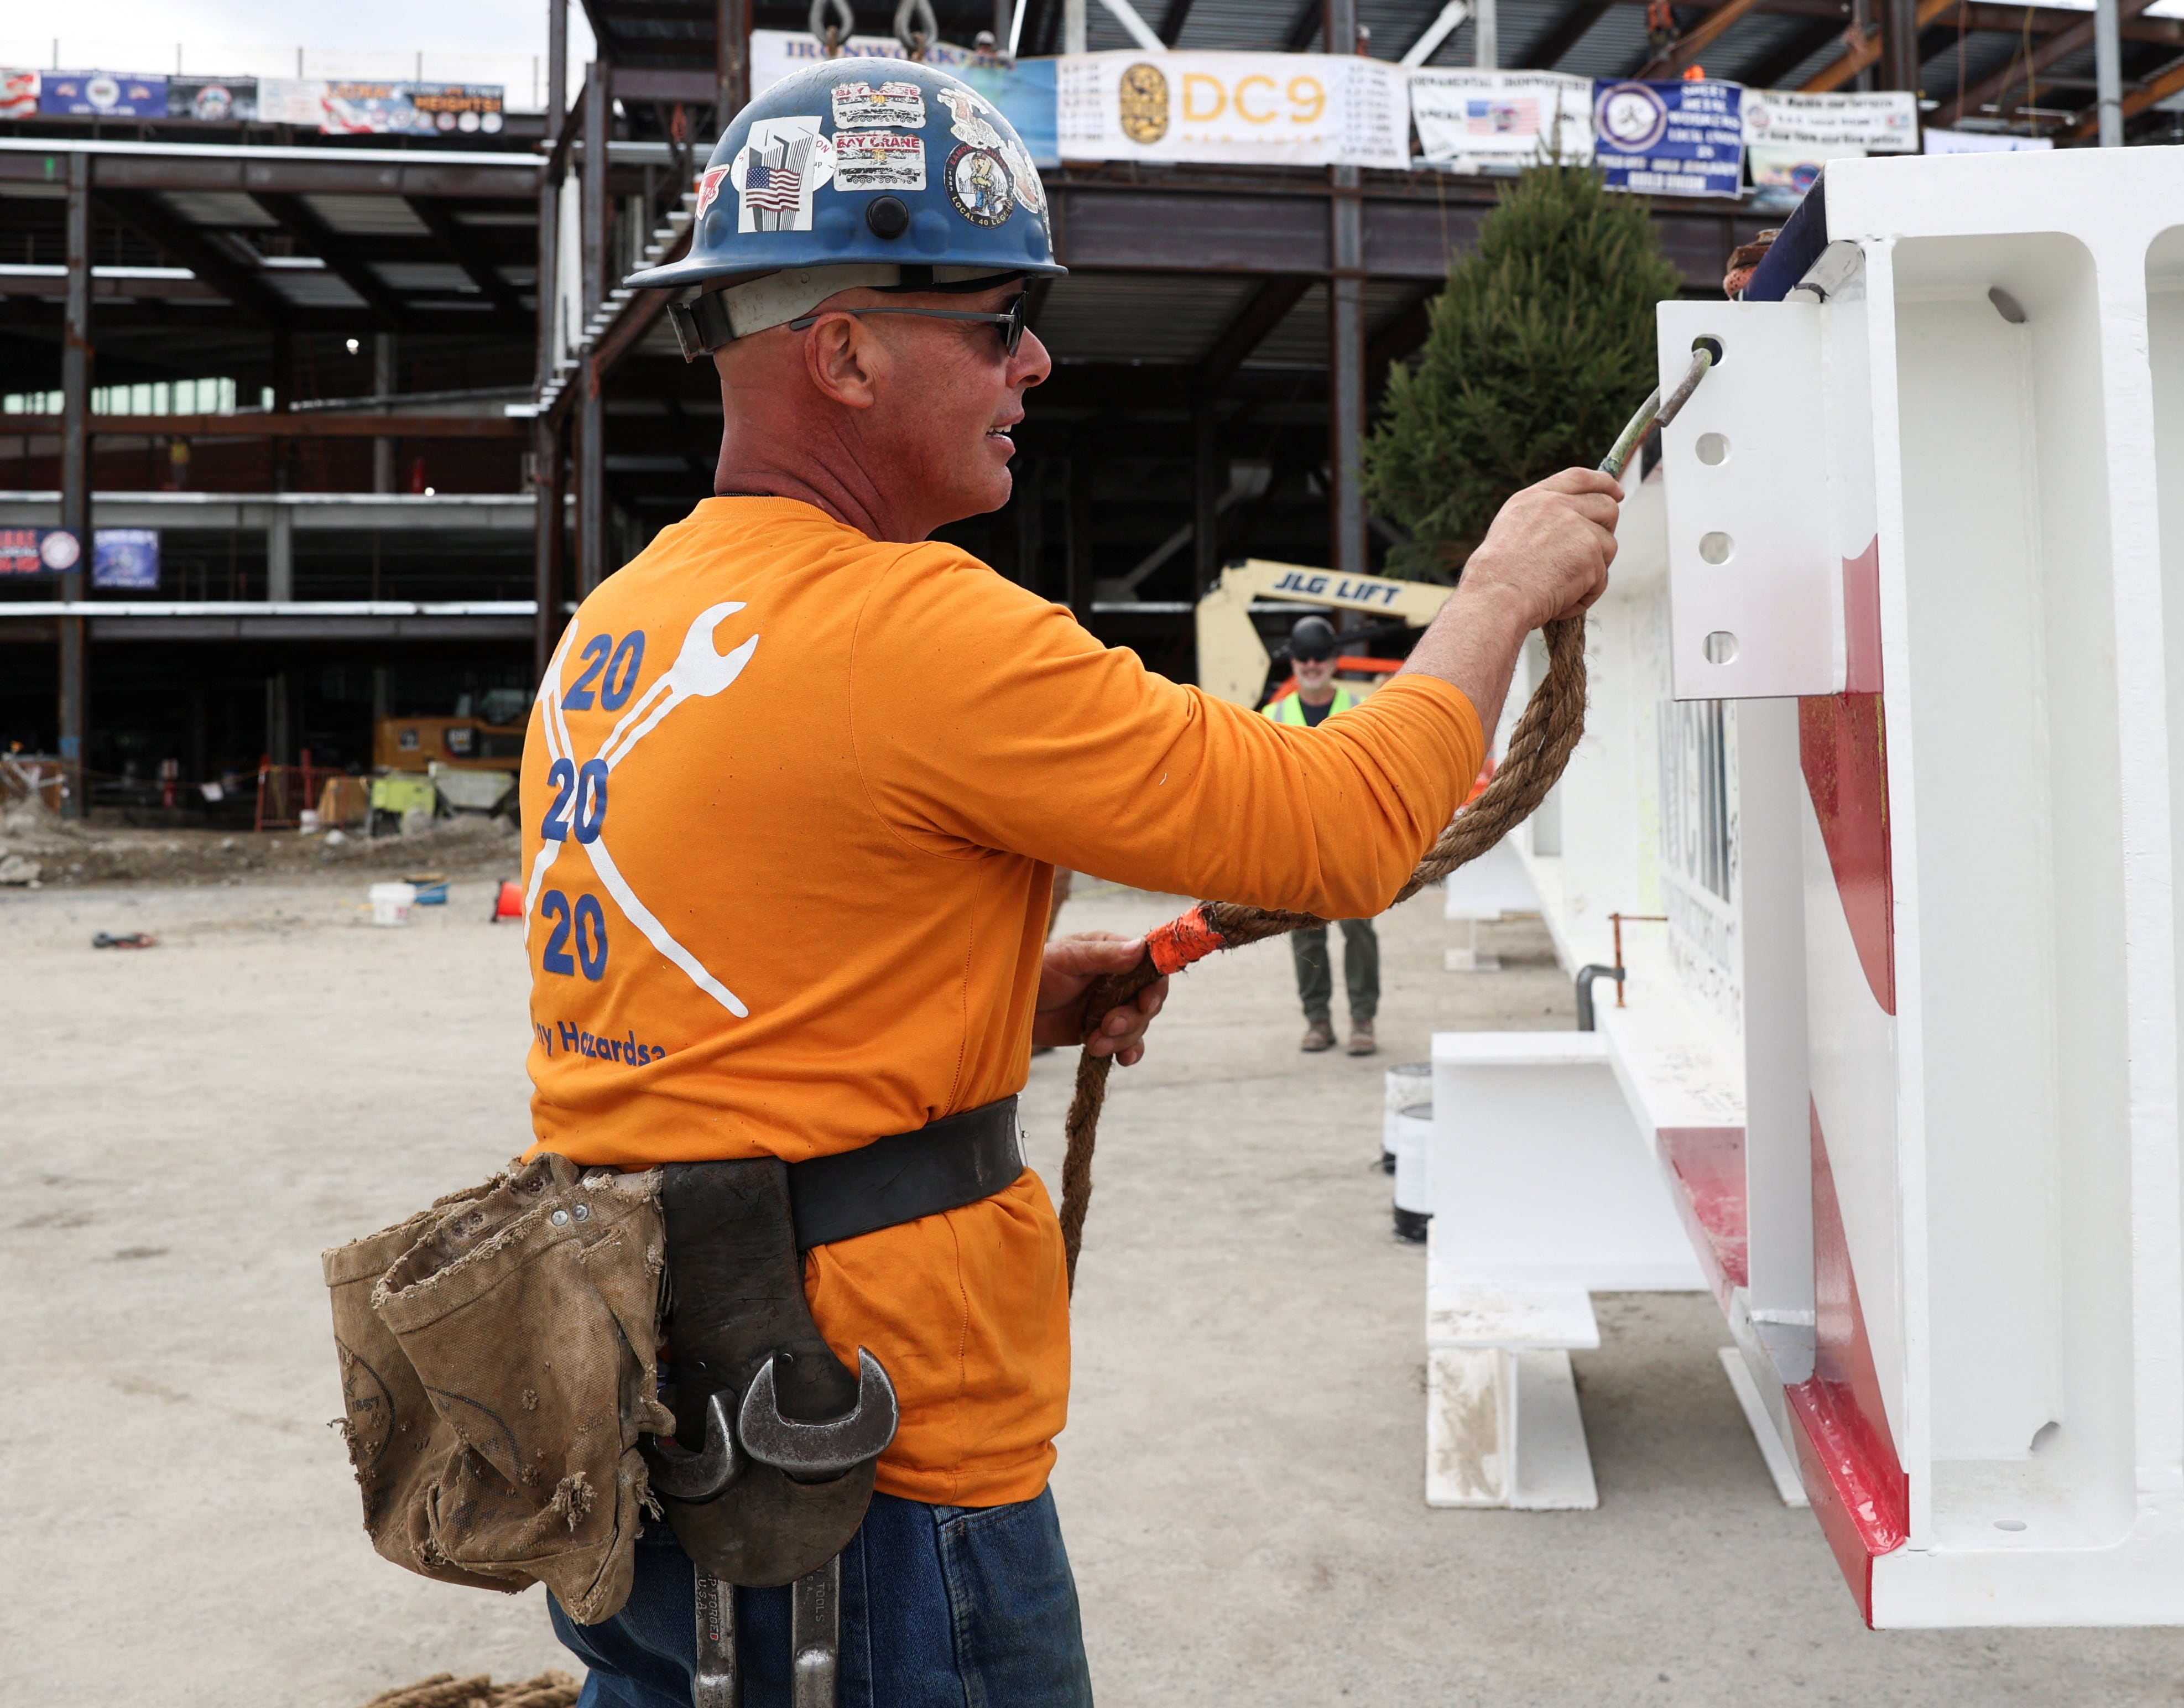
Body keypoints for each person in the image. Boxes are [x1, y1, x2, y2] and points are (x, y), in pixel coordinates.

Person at [528, 58, 1620, 1706]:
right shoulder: (920, 633)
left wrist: (984, 1003)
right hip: (870, 1480)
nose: (1034, 359)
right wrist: (1493, 591)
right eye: (996, 317)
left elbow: (680, 1004)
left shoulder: (613, 632)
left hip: (650, 1412)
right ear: (842, 348)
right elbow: (1336, 829)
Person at [1266, 615, 1382, 1056]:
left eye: (1320, 657)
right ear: (1293, 663)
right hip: (1299, 845)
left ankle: (1362, 1020)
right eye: (1303, 658)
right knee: (1305, 936)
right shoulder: (1272, 717)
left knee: (1360, 932)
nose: (1312, 665)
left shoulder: (1363, 709)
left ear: (1334, 660)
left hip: (1352, 842)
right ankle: (1317, 1021)